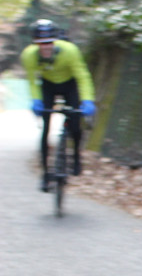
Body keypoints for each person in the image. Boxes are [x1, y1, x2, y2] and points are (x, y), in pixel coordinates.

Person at [21, 19, 96, 190]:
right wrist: (35, 100)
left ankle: (76, 157)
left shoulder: (69, 51)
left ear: (54, 41)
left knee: (76, 126)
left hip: (70, 84)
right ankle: (46, 174)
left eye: (48, 43)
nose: (45, 47)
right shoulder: (29, 55)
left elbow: (82, 76)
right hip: (48, 85)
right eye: (40, 43)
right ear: (35, 43)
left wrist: (87, 100)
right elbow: (32, 80)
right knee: (45, 129)